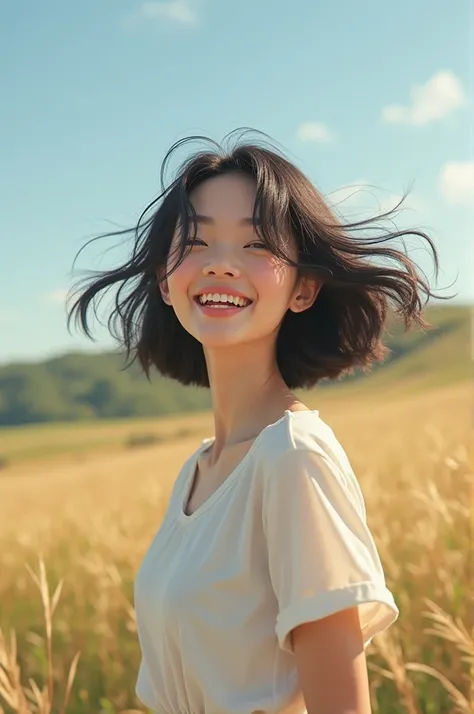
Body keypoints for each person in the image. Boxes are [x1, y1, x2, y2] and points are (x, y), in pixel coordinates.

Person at [68, 129, 444, 714]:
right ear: (166, 280)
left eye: (255, 246)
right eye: (194, 243)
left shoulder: (293, 458)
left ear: (304, 288)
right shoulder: (198, 471)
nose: (220, 266)